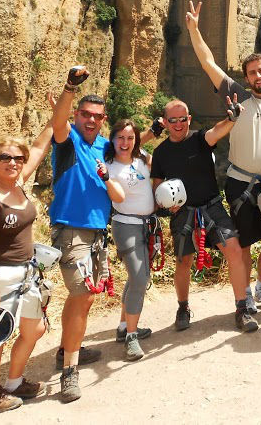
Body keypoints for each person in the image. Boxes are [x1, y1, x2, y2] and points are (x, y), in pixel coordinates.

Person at [185, 0, 261, 312]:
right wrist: (194, 30)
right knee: (245, 243)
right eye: (252, 72)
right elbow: (208, 63)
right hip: (240, 184)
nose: (257, 76)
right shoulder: (236, 96)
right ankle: (245, 292)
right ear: (246, 77)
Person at [48, 65, 126, 402]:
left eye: (97, 116)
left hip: (97, 233)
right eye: (85, 114)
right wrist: (69, 89)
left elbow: (128, 144)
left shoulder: (103, 147)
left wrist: (155, 131)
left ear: (103, 120)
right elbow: (59, 122)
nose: (91, 120)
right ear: (77, 116)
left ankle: (67, 347)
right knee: (81, 295)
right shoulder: (68, 141)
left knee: (86, 296)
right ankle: (69, 371)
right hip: (71, 231)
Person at [150, 98, 259, 332]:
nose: (178, 124)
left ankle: (242, 309)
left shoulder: (200, 139)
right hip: (182, 211)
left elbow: (216, 131)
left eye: (183, 119)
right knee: (183, 261)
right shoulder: (160, 153)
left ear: (189, 119)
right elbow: (157, 186)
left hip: (211, 206)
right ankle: (183, 307)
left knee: (234, 250)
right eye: (173, 120)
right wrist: (165, 205)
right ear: (165, 123)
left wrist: (232, 118)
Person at [0, 127, 55, 413]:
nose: (13, 162)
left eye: (18, 158)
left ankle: (15, 383)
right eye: (5, 157)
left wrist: (60, 113)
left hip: (25, 274)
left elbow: (41, 147)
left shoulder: (17, 183)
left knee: (35, 328)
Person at [104, 119, 157, 361]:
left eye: (130, 138)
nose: (125, 143)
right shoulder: (109, 166)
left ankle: (124, 327)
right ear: (112, 139)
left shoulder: (142, 159)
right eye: (120, 138)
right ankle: (132, 337)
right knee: (138, 277)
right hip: (126, 225)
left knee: (138, 276)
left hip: (147, 226)